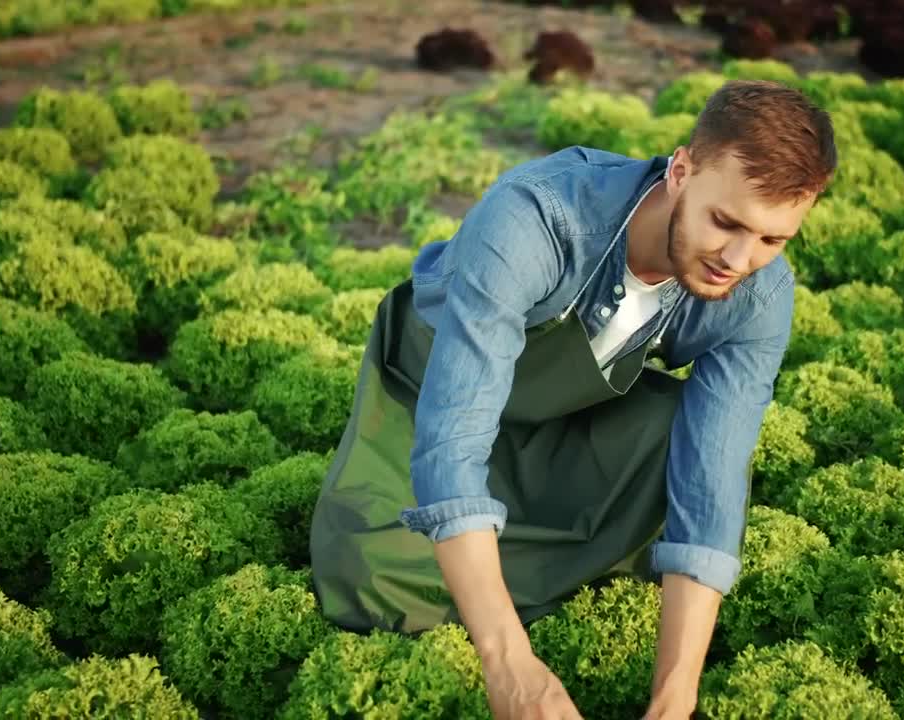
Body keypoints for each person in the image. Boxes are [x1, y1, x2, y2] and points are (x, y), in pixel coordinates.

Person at [309, 78, 837, 719]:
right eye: (725, 222)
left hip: (567, 414)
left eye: (772, 239)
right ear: (680, 171)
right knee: (362, 572)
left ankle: (504, 571)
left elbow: (711, 484)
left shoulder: (760, 294)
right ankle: (523, 583)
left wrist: (675, 700)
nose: (738, 258)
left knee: (682, 438)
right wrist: (508, 665)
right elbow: (451, 443)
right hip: (430, 395)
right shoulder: (535, 220)